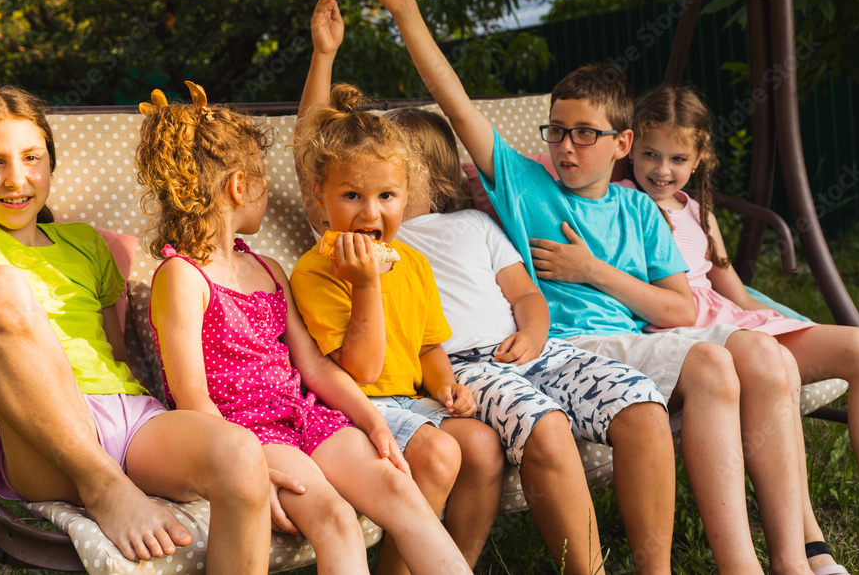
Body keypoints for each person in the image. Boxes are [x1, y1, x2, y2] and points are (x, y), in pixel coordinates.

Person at [354, 0, 816, 575]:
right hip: (563, 347)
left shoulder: (636, 207)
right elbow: (455, 103)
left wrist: (592, 270)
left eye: (584, 134)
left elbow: (678, 308)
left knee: (743, 359)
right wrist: (406, 10)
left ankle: (780, 555)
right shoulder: (525, 185)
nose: (566, 146)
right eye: (557, 132)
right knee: (713, 365)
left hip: (623, 344)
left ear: (622, 142)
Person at [0, 0, 273, 569]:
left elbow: (118, 351)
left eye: (31, 158)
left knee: (239, 456)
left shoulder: (87, 245)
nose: (16, 179)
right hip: (39, 436)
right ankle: (105, 488)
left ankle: (126, 481)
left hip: (128, 415)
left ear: (50, 163)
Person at [135, 84, 475, 575]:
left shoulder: (268, 269)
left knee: (398, 490)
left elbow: (312, 366)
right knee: (336, 518)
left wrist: (371, 421)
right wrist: (254, 472)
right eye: (263, 178)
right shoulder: (181, 276)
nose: (268, 192)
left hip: (305, 414)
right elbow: (192, 399)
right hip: (246, 431)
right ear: (239, 186)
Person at [388, 106, 677, 575]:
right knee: (545, 425)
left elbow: (525, 294)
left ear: (430, 174)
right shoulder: (366, 237)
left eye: (391, 168)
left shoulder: (476, 225)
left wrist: (533, 333)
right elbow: (313, 146)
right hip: (457, 367)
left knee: (641, 403)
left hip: (533, 349)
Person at [627, 83, 858, 574]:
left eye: (677, 158)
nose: (662, 169)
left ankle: (808, 546)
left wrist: (785, 322)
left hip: (729, 320)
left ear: (699, 158)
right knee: (774, 367)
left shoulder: (697, 210)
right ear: (628, 146)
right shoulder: (621, 202)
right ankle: (808, 547)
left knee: (857, 347)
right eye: (649, 154)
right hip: (682, 333)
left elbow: (736, 294)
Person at [290, 77, 505, 572]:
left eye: (387, 195)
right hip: (352, 408)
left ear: (407, 195)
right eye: (351, 195)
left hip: (410, 401)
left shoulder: (413, 262)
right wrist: (366, 284)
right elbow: (360, 371)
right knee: (439, 455)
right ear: (320, 196)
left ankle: (454, 562)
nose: (371, 212)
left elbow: (428, 347)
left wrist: (447, 386)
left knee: (483, 446)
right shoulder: (315, 271)